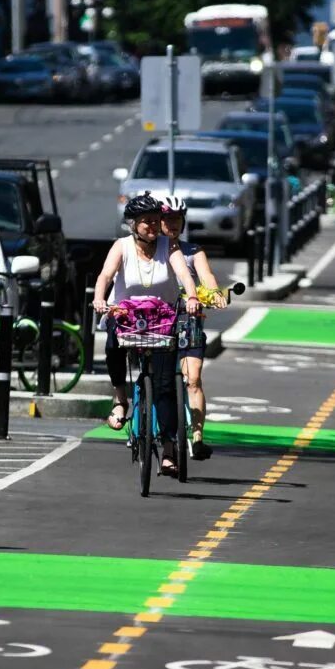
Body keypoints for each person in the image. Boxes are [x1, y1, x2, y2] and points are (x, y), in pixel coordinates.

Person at [92, 192, 200, 475]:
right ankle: (120, 400)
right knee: (113, 344)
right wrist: (100, 299)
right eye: (146, 222)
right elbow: (105, 275)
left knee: (165, 386)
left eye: (156, 221)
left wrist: (191, 297)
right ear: (133, 225)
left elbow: (185, 275)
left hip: (162, 321)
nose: (153, 226)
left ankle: (167, 448)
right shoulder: (122, 246)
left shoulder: (169, 246)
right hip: (127, 317)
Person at [161, 195, 221, 461]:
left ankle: (197, 438)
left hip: (188, 317)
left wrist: (213, 293)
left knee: (193, 379)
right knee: (157, 382)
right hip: (157, 321)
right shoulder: (151, 251)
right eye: (167, 218)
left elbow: (206, 276)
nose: (173, 223)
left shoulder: (193, 252)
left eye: (177, 218)